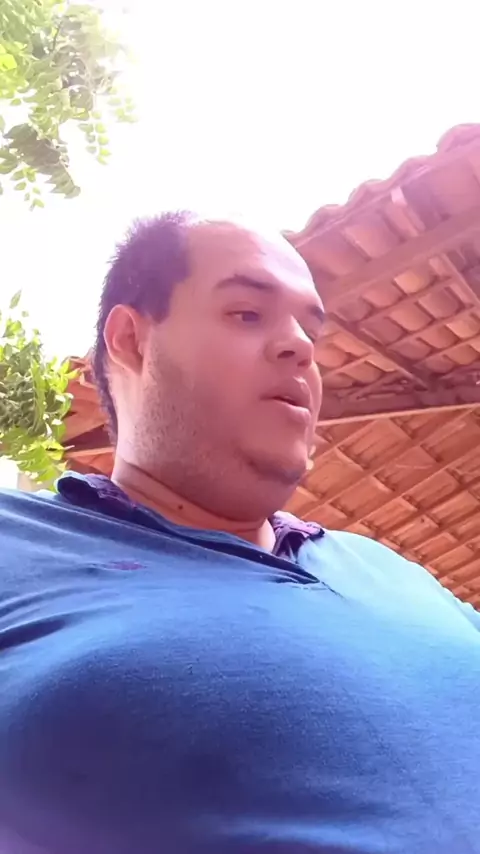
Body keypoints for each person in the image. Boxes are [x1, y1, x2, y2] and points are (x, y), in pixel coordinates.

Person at [1, 211, 479, 854]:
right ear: (131, 340)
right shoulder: (17, 544)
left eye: (310, 331)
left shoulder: (395, 573)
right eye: (247, 313)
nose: (300, 348)